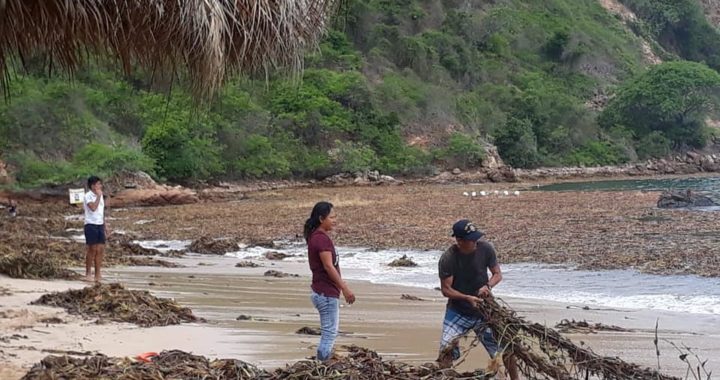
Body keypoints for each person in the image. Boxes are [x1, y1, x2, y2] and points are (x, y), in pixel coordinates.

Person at [437, 219, 518, 380]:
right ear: (459, 241)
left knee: (506, 347)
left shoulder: (486, 249)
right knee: (445, 350)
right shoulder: (448, 258)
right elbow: (446, 290)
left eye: (476, 238)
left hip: (485, 311)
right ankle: (446, 377)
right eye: (471, 239)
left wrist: (487, 286)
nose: (475, 242)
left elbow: (497, 274)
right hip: (458, 311)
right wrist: (467, 298)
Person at [304, 201, 355, 361]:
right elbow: (328, 266)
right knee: (330, 332)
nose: (335, 220)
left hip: (321, 291)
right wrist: (345, 288)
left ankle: (322, 364)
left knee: (329, 331)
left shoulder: (317, 237)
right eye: (331, 217)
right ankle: (322, 365)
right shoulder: (321, 239)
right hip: (325, 293)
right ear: (321, 218)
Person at [83, 176, 108, 282]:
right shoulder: (87, 196)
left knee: (100, 249)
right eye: (98, 184)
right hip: (90, 224)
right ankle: (88, 272)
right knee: (92, 249)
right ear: (92, 186)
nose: (100, 186)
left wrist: (105, 225)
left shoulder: (100, 195)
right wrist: (98, 197)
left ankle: (98, 273)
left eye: (100, 184)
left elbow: (101, 212)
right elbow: (93, 208)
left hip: (100, 224)